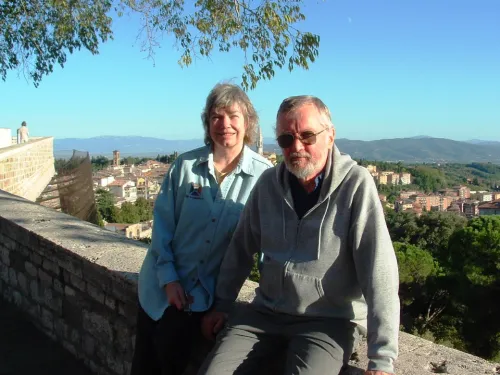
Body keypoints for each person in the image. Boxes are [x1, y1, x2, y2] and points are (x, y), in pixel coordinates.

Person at [199, 96, 400, 375]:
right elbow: (241, 249)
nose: (297, 147)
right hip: (264, 314)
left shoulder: (356, 185)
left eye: (307, 136)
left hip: (328, 321)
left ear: (330, 136)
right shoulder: (268, 184)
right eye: (285, 139)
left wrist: (382, 359)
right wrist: (221, 304)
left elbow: (379, 271)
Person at [131, 83, 273, 375]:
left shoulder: (264, 177)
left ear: (248, 122)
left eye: (233, 116)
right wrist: (169, 280)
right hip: (159, 289)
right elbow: (162, 229)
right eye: (216, 117)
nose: (225, 125)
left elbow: (266, 248)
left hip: (204, 298)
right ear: (207, 124)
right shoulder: (185, 166)